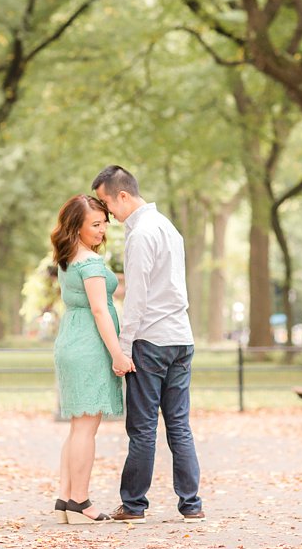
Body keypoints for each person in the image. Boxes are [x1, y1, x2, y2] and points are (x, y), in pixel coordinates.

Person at [90, 165, 205, 522]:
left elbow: (137, 297)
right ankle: (191, 504)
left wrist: (123, 347)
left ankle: (134, 504)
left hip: (151, 340)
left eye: (108, 205)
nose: (108, 214)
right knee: (179, 425)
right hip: (180, 338)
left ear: (123, 195)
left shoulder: (140, 235)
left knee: (142, 428)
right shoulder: (169, 227)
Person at [50, 194, 131, 524]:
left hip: (70, 338)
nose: (102, 230)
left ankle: (65, 499)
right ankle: (81, 502)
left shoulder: (69, 259)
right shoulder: (91, 263)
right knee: (86, 428)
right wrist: (118, 355)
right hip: (90, 344)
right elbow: (100, 309)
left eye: (103, 223)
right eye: (94, 225)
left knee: (76, 427)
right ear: (76, 227)